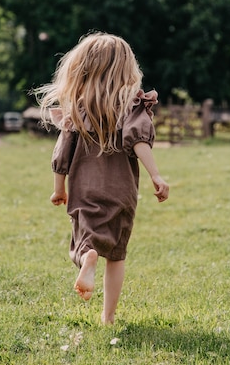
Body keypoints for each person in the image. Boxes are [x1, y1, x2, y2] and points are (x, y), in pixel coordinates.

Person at [36, 32, 169, 324]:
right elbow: (139, 141)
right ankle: (108, 316)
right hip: (122, 192)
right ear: (126, 68)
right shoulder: (132, 105)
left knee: (85, 243)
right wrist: (155, 175)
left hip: (84, 191)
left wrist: (59, 190)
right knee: (117, 253)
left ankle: (87, 258)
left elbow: (62, 157)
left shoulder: (78, 111)